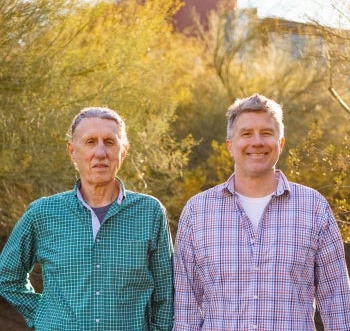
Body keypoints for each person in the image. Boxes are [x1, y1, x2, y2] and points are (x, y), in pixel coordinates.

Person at [173, 93, 350, 330]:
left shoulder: (313, 207)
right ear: (230, 145)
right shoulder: (197, 212)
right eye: (246, 134)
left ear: (281, 143)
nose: (257, 142)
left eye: (266, 133)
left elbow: (337, 301)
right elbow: (186, 308)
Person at [0, 107, 174, 330]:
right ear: (72, 151)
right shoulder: (42, 213)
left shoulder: (150, 212)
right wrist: (44, 315)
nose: (100, 153)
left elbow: (166, 294)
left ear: (124, 151)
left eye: (109, 142)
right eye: (90, 141)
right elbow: (7, 276)